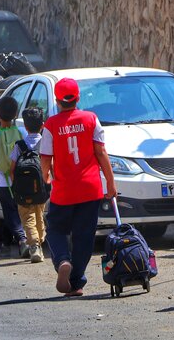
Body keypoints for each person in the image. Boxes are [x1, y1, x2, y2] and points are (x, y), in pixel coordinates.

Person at [41, 78, 117, 297]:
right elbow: (101, 153)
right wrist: (110, 182)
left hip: (64, 191)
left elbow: (46, 157)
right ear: (78, 98)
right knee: (84, 236)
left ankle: (63, 260)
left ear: (57, 99)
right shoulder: (91, 119)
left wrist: (45, 177)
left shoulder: (51, 125)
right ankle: (76, 283)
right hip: (90, 188)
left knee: (56, 229)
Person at [0, 96, 28, 257]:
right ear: (16, 114)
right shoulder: (21, 132)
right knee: (21, 211)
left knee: (9, 213)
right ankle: (8, 242)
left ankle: (22, 239)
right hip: (22, 179)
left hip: (3, 181)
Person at [12, 106, 48, 263]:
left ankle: (34, 245)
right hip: (41, 188)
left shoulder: (19, 145)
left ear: (25, 126)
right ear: (43, 125)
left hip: (23, 190)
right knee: (39, 216)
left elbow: (12, 168)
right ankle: (37, 244)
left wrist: (16, 185)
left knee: (27, 218)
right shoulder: (46, 144)